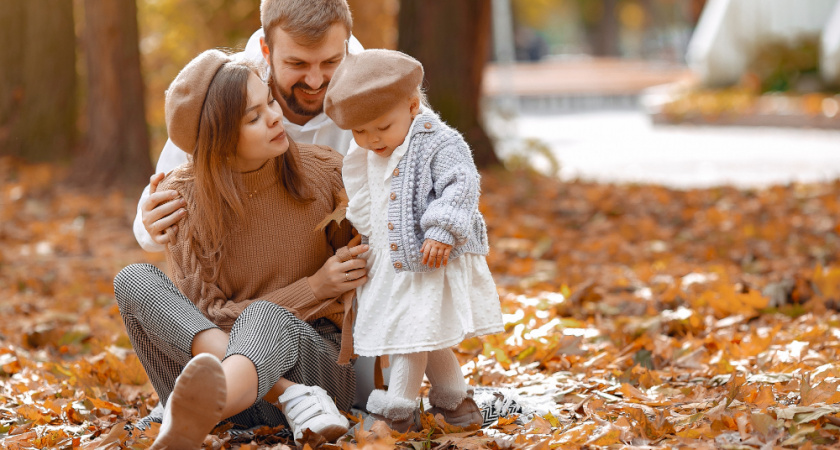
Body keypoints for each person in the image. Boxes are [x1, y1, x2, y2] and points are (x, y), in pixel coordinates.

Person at [129, 0, 388, 412]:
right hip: (237, 350)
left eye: (331, 62)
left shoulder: (363, 112)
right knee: (134, 281)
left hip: (314, 345)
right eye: (299, 63)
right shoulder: (222, 92)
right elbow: (162, 238)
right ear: (267, 55)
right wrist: (151, 221)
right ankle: (254, 400)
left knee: (265, 318)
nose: (317, 79)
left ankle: (204, 407)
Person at [323, 49, 505, 431]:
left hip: (433, 255)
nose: (372, 139)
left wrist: (442, 230)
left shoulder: (438, 142)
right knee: (426, 330)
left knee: (410, 331)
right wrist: (367, 235)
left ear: (412, 105)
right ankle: (456, 402)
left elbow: (461, 185)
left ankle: (396, 411)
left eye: (381, 127)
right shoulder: (372, 149)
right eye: (359, 131)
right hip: (396, 259)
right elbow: (372, 197)